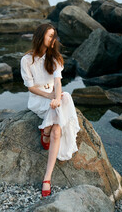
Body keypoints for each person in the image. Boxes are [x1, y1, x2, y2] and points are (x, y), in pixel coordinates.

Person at [20, 24, 80, 197]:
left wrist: (56, 97)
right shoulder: (27, 60)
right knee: (59, 107)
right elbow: (31, 88)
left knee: (65, 101)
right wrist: (50, 98)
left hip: (54, 96)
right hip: (39, 99)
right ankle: (46, 131)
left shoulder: (55, 58)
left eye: (55, 36)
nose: (54, 39)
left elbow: (59, 83)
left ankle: (47, 177)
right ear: (41, 37)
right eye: (50, 36)